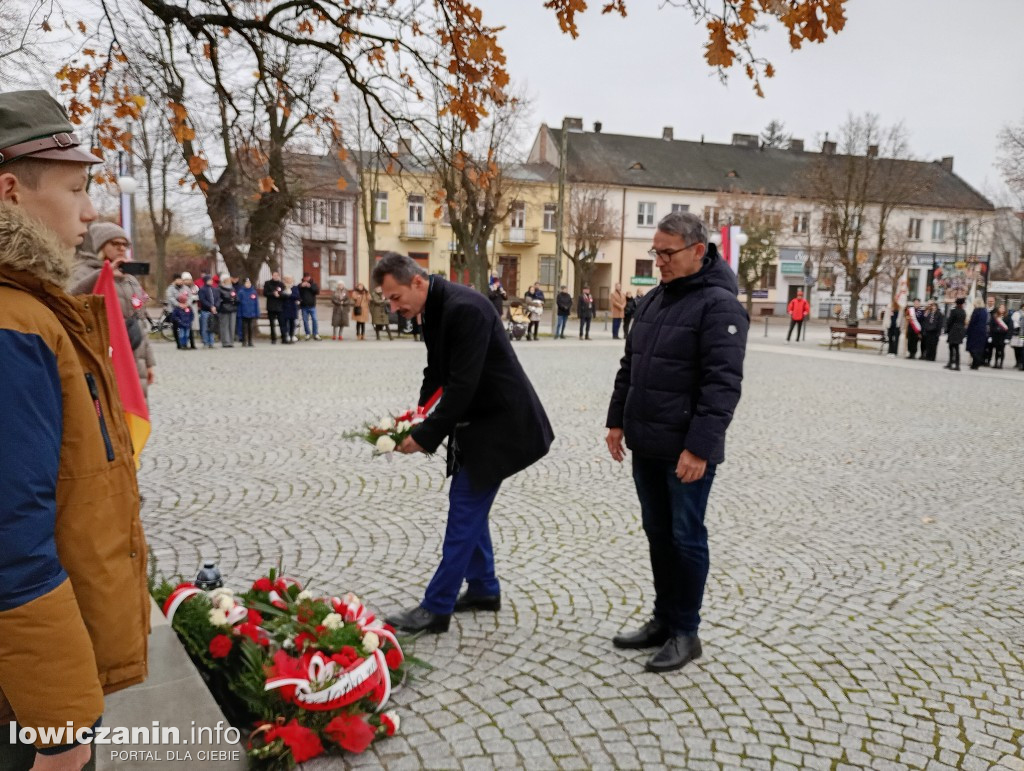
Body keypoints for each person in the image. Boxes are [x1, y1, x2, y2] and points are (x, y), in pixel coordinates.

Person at [0, 89, 147, 770]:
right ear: (11, 191)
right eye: (77, 188)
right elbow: (10, 537)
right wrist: (62, 725)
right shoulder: (11, 323)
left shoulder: (27, 307)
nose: (90, 213)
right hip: (29, 691)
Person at [373, 253, 554, 634]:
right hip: (478, 424)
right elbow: (436, 371)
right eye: (387, 300)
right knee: (466, 506)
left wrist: (424, 437)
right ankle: (485, 588)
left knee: (463, 511)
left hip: (503, 427)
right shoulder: (435, 308)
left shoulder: (465, 308)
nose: (392, 306)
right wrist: (416, 418)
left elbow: (462, 384)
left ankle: (437, 607)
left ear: (417, 282)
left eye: (394, 296)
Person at [606, 211, 748, 673]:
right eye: (656, 252)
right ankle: (663, 619)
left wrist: (700, 448)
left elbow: (722, 384)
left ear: (697, 251)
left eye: (667, 253)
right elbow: (631, 364)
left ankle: (686, 631)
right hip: (647, 442)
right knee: (658, 534)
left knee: (686, 538)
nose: (659, 261)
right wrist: (616, 421)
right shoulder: (655, 300)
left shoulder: (720, 306)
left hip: (686, 451)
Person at [68, 222, 157, 396]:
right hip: (104, 356)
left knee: (134, 415)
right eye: (115, 244)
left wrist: (149, 362)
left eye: (125, 245)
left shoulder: (130, 279)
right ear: (100, 246)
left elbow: (140, 322)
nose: (121, 248)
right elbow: (70, 299)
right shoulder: (82, 272)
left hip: (134, 357)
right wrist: (103, 275)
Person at [965, 297, 989, 370]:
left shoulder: (976, 311)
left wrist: (967, 331)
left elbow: (972, 322)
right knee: (978, 349)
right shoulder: (985, 311)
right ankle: (975, 364)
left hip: (974, 332)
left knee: (972, 349)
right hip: (982, 332)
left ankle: (976, 362)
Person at [263, 270, 286, 344]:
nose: (275, 277)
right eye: (274, 275)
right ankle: (273, 338)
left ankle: (284, 338)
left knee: (282, 323)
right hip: (271, 306)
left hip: (280, 306)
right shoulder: (268, 283)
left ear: (278, 276)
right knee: (272, 324)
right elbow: (265, 293)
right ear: (272, 276)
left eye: (277, 275)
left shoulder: (281, 284)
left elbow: (285, 294)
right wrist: (273, 294)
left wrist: (279, 295)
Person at [944, 297, 966, 371]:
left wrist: (947, 330)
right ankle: (957, 364)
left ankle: (950, 363)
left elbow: (950, 321)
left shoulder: (954, 311)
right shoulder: (963, 311)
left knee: (951, 347)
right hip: (960, 331)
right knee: (957, 348)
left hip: (953, 330)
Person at [217, 273, 238, 347]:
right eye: (227, 280)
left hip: (232, 308)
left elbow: (236, 297)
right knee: (224, 325)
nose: (229, 281)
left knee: (232, 325)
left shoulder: (232, 288)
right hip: (224, 309)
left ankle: (231, 341)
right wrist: (227, 299)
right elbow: (219, 299)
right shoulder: (219, 289)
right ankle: (225, 341)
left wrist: (235, 300)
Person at [197, 273, 218, 348]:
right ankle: (205, 342)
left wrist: (215, 306)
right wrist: (210, 306)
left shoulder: (214, 289)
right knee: (205, 327)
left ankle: (211, 342)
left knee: (212, 327)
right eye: (209, 280)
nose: (211, 281)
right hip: (205, 311)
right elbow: (202, 300)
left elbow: (217, 299)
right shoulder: (202, 289)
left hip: (213, 311)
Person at [238, 277, 259, 347]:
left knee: (250, 328)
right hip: (244, 313)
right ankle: (244, 341)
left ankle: (250, 341)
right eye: (246, 283)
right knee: (244, 327)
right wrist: (240, 313)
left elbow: (256, 303)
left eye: (249, 283)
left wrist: (257, 312)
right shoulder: (241, 292)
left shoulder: (253, 292)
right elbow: (239, 304)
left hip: (251, 313)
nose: (248, 284)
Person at [299, 272, 321, 340]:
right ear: (304, 278)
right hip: (304, 306)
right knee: (305, 321)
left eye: (308, 277)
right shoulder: (300, 284)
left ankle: (316, 334)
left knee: (314, 320)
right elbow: (297, 292)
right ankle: (307, 333)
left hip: (312, 306)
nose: (307, 278)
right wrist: (301, 286)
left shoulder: (313, 284)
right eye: (305, 277)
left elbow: (317, 292)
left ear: (310, 277)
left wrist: (310, 286)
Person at [281, 275, 300, 343]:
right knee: (285, 323)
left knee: (292, 323)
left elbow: (296, 296)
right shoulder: (282, 287)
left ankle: (291, 335)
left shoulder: (294, 287)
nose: (288, 281)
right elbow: (281, 295)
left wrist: (288, 295)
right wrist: (288, 295)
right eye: (287, 279)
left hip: (293, 308)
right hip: (284, 308)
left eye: (290, 279)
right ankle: (286, 336)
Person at [991, 304, 1009, 369]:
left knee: (1002, 350)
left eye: (1003, 308)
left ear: (1005, 309)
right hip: (996, 336)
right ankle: (996, 363)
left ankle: (1001, 364)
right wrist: (991, 336)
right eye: (1000, 308)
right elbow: (992, 326)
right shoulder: (995, 316)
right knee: (996, 350)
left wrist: (1007, 338)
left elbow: (1010, 328)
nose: (1001, 309)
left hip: (1003, 337)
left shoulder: (1007, 317)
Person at [1011, 304, 1024, 370]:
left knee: (1022, 348)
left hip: (1022, 335)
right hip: (1016, 333)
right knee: (1016, 348)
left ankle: (1021, 363)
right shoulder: (1016, 313)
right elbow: (1013, 322)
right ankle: (1017, 362)